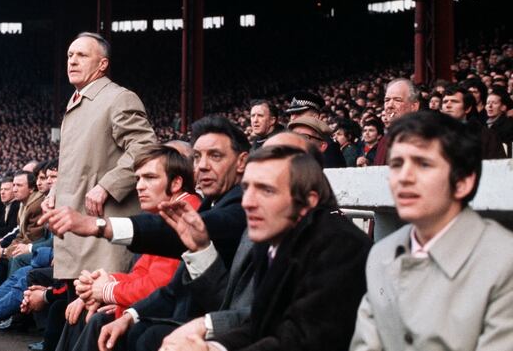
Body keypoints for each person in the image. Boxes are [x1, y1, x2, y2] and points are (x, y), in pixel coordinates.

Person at [155, 145, 372, 351]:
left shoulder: (340, 247)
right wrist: (213, 346)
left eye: (266, 190)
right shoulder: (270, 240)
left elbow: (302, 341)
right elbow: (263, 324)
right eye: (246, 188)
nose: (248, 202)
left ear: (308, 202)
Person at [350, 110, 513, 350]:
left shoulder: (503, 260)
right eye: (396, 164)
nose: (404, 177)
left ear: (462, 181)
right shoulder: (382, 254)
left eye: (423, 164)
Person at [52, 144, 201, 351]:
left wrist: (106, 291)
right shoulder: (167, 213)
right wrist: (106, 281)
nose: (139, 186)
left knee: (97, 320)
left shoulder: (186, 214)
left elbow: (157, 286)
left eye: (149, 177)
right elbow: (142, 273)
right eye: (138, 178)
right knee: (90, 313)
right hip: (160, 310)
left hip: (176, 319)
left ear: (176, 182)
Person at [52, 32, 157, 283]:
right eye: (69, 55)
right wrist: (54, 190)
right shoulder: (76, 101)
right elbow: (79, 163)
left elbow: (145, 147)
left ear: (103, 64)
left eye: (82, 55)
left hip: (101, 236)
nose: (72, 61)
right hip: (76, 236)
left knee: (95, 314)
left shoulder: (119, 98)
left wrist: (107, 186)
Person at [440, 84, 505, 159]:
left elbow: (498, 167)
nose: (448, 105)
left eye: (454, 101)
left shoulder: (486, 136)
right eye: (445, 102)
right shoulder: (431, 133)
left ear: (467, 109)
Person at [373, 78, 420, 165]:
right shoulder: (384, 140)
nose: (389, 105)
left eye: (397, 100)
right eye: (387, 100)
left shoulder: (423, 139)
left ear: (414, 106)